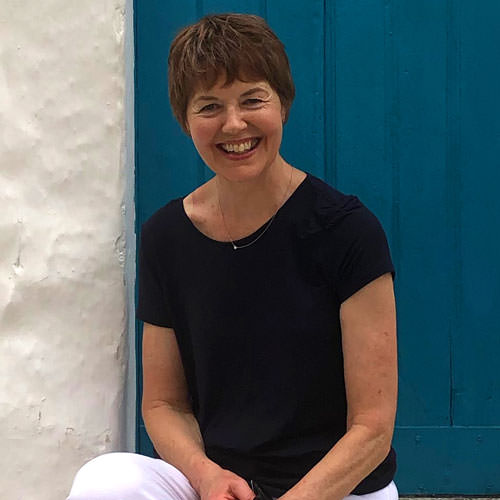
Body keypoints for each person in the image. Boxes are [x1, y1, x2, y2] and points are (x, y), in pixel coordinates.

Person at [67, 13, 399, 500]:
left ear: (282, 103)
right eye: (209, 106)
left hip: (337, 489)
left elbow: (371, 429)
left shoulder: (347, 230)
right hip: (222, 486)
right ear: (185, 120)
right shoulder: (166, 237)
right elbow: (163, 403)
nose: (234, 124)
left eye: (252, 99)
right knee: (106, 482)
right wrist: (205, 475)